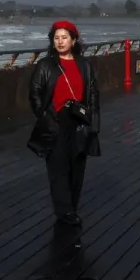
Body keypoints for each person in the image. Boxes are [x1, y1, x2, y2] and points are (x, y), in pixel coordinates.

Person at [27, 20, 101, 226]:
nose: (60, 42)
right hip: (55, 122)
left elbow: (93, 94)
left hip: (79, 123)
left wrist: (94, 123)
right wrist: (44, 116)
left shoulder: (84, 65)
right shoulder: (45, 65)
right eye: (56, 38)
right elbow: (34, 94)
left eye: (64, 37)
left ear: (73, 40)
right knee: (58, 169)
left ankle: (72, 207)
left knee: (77, 167)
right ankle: (65, 211)